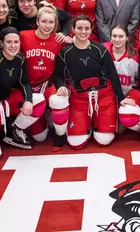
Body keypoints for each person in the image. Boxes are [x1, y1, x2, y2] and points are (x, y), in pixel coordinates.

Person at [53, 15, 128, 148]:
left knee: (103, 140)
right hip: (79, 99)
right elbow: (57, 75)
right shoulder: (65, 52)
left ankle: (97, 123)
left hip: (104, 98)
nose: (83, 31)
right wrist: (60, 86)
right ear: (73, 29)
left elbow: (113, 74)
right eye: (80, 28)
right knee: (75, 143)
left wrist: (121, 98)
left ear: (91, 29)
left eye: (87, 28)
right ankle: (87, 124)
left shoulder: (100, 49)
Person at [0, 27, 46, 161]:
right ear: (1, 43)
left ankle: (15, 129)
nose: (13, 46)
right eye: (9, 42)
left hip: (7, 99)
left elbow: (24, 81)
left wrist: (28, 100)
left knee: (38, 100)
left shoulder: (19, 57)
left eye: (16, 42)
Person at [18, 4, 71, 150]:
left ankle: (59, 136)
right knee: (39, 137)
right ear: (37, 21)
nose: (47, 25)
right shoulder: (23, 36)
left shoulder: (58, 41)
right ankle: (44, 124)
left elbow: (60, 68)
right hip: (28, 86)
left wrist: (60, 85)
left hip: (47, 84)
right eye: (44, 21)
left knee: (59, 100)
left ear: (56, 24)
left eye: (51, 22)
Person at [103, 25, 138, 96]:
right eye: (114, 36)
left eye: (121, 36)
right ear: (110, 37)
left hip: (127, 95)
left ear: (127, 38)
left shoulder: (135, 56)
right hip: (106, 95)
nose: (117, 39)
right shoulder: (103, 50)